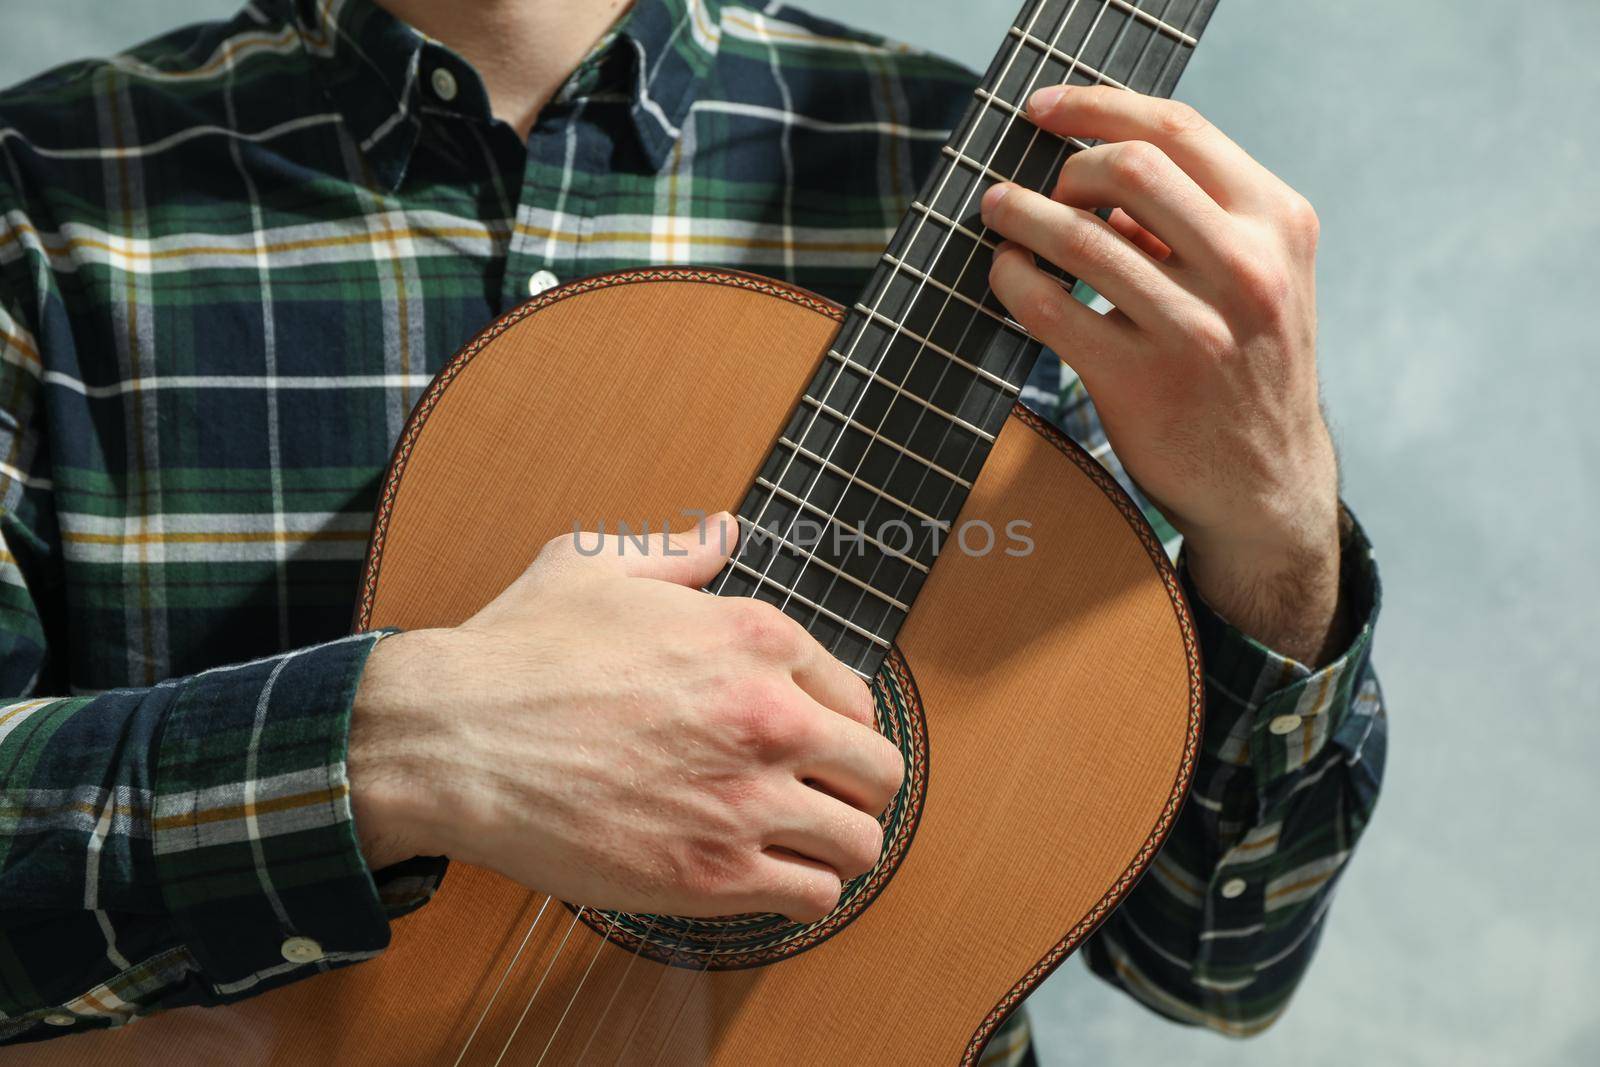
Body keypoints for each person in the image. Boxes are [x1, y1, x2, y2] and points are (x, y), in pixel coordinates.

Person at [0, 0, 1386, 1061]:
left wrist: (1273, 527)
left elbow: (1208, 963)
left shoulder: (1014, 208)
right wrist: (403, 740)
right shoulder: (37, 198)